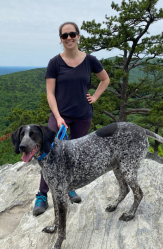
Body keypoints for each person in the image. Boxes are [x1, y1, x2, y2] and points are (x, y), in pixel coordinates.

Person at [33, 22, 110, 216]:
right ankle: (42, 195)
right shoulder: (55, 63)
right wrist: (58, 118)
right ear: (61, 39)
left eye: (72, 34)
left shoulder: (90, 60)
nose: (69, 38)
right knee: (48, 155)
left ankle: (69, 187)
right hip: (60, 117)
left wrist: (95, 97)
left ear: (78, 36)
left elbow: (105, 79)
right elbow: (50, 94)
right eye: (65, 35)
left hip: (83, 116)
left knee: (75, 155)